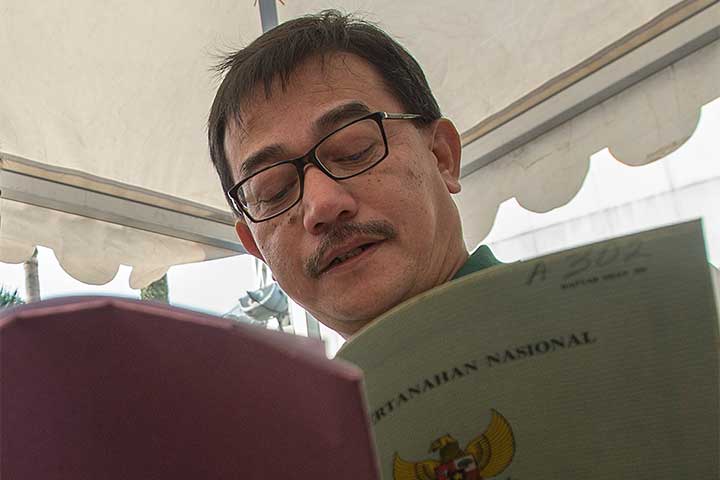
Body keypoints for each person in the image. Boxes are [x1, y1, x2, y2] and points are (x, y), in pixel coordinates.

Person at [208, 10, 500, 338]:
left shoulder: (550, 324)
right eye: (274, 190)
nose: (322, 205)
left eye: (354, 151)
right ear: (256, 249)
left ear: (441, 156)